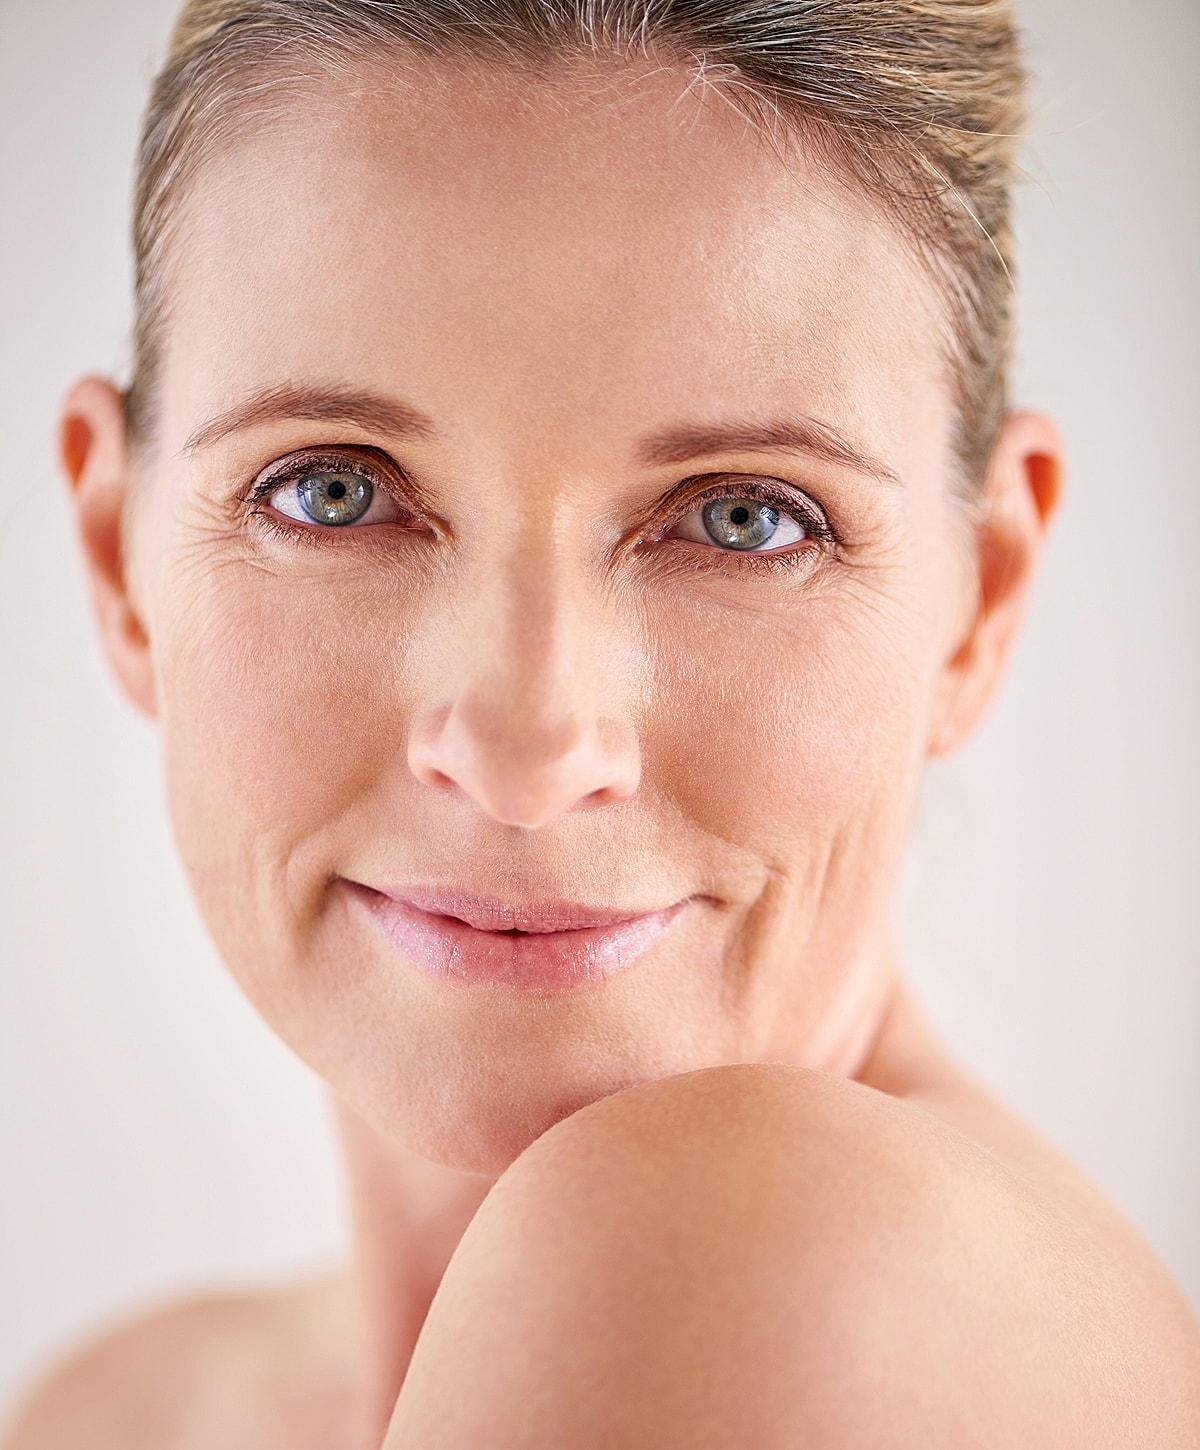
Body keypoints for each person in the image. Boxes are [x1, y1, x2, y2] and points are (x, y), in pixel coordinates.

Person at [5, 0, 1199, 1444]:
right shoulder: (118, 1407)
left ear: (984, 594)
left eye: (744, 519)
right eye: (333, 489)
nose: (522, 748)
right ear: (115, 555)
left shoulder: (796, 1280)